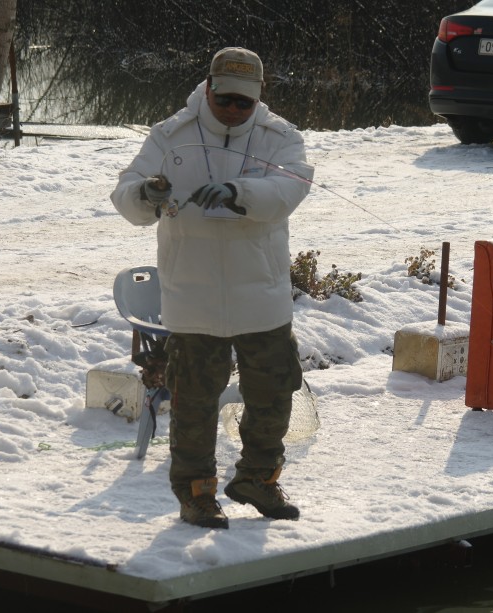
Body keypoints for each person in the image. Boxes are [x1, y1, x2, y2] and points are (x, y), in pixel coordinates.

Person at [111, 47, 312, 529]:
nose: (234, 110)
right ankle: (196, 492)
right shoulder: (169, 134)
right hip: (192, 294)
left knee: (274, 392)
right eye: (225, 99)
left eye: (244, 102)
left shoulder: (281, 137)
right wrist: (146, 193)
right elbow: (126, 193)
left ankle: (258, 479)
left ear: (258, 97)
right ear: (208, 88)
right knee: (194, 401)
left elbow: (291, 189)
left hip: (261, 294)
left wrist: (239, 192)